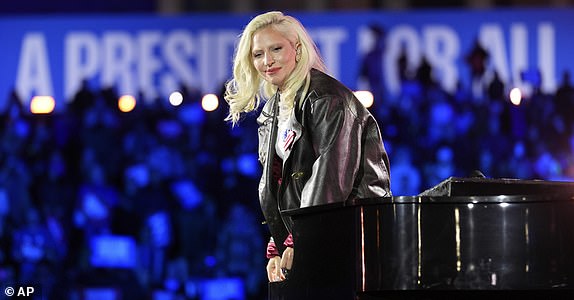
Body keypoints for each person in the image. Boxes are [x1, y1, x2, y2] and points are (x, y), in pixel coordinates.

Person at [224, 11, 391, 283]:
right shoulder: (272, 112)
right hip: (313, 240)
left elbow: (331, 179)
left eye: (276, 49)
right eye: (258, 54)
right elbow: (280, 188)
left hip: (350, 245)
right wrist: (278, 245)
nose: (267, 61)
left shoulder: (327, 99)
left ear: (297, 49)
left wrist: (297, 239)